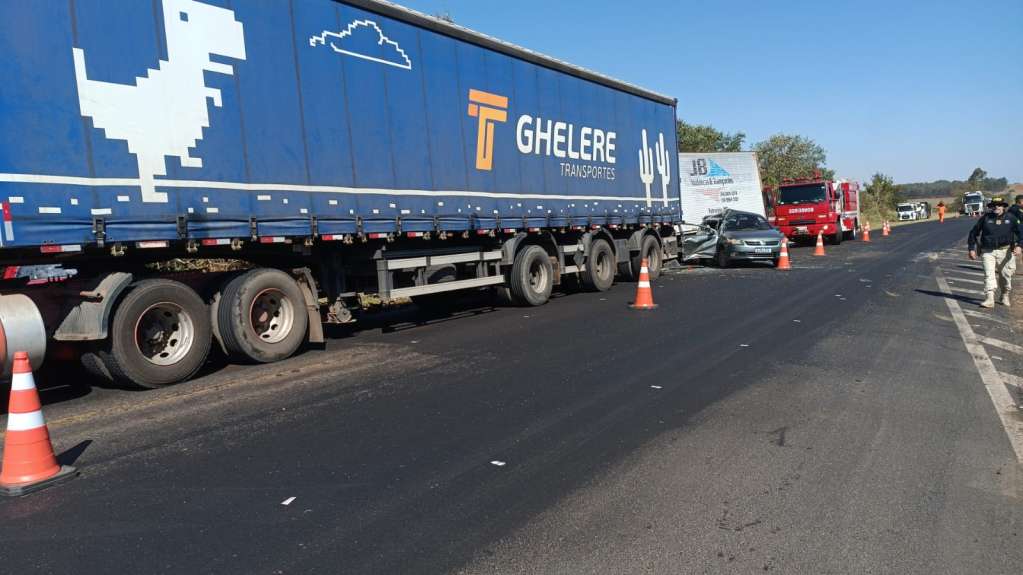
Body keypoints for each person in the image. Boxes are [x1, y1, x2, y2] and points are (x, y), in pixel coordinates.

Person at [968, 197, 1023, 307]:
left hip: (1005, 251)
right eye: (994, 205)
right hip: (988, 251)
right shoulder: (985, 219)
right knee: (989, 275)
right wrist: (971, 249)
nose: (996, 207)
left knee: (1005, 275)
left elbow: (1021, 233)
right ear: (991, 207)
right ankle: (989, 298)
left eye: (999, 205)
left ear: (1003, 206)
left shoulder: (1011, 218)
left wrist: (1020, 246)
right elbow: (973, 233)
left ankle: (1004, 295)